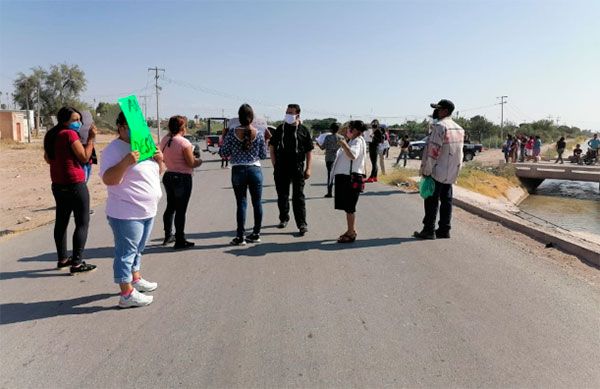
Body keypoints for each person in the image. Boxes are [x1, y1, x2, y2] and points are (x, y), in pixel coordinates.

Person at [100, 112, 164, 308]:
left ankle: (135, 279)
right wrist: (126, 162)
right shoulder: (113, 150)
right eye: (131, 126)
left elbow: (157, 172)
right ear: (120, 127)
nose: (137, 129)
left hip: (147, 210)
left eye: (140, 125)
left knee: (138, 249)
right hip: (126, 212)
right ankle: (126, 294)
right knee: (126, 252)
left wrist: (160, 159)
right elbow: (109, 179)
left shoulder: (144, 144)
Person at [43, 106, 97, 275]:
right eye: (75, 120)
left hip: (58, 184)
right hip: (75, 183)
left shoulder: (51, 134)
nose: (78, 123)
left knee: (61, 221)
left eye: (79, 119)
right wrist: (91, 139)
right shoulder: (69, 134)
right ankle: (77, 263)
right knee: (82, 222)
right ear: (64, 120)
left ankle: (62, 259)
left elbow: (47, 158)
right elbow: (84, 157)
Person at [414, 99, 464, 240]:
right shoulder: (459, 129)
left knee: (431, 201)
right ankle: (444, 229)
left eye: (439, 109)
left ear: (445, 111)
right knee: (446, 201)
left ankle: (429, 229)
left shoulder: (439, 127)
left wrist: (426, 170)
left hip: (437, 171)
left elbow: (433, 151)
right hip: (450, 172)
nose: (436, 111)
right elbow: (459, 153)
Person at [219, 104, 267, 245]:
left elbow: (224, 153)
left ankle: (240, 237)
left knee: (241, 203)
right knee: (257, 203)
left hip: (238, 170)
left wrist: (223, 138)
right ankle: (256, 234)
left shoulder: (232, 132)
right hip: (255, 170)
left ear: (239, 118)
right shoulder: (258, 133)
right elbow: (263, 156)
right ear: (252, 118)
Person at [269, 104, 314, 236]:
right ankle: (284, 218)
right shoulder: (280, 129)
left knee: (298, 196)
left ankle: (301, 224)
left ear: (298, 115)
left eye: (291, 113)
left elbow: (309, 151)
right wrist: (275, 165)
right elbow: (271, 146)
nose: (288, 115)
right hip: (281, 167)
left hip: (298, 167)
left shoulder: (304, 130)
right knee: (282, 195)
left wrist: (308, 168)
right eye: (287, 112)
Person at [159, 115, 202, 249]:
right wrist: (199, 160)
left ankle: (168, 235)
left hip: (169, 175)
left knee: (170, 207)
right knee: (181, 210)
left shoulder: (165, 140)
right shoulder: (184, 143)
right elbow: (191, 163)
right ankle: (180, 239)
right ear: (182, 127)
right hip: (182, 178)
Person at [330, 120, 367, 243]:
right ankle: (351, 230)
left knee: (350, 207)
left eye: (349, 128)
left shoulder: (357, 141)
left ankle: (351, 233)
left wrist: (344, 144)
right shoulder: (354, 140)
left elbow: (353, 155)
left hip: (350, 178)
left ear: (355, 130)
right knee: (348, 207)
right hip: (347, 177)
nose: (347, 130)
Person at [318, 122, 344, 198]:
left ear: (331, 129)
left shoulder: (327, 137)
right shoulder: (341, 138)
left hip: (329, 158)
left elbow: (322, 148)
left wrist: (318, 144)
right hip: (339, 158)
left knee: (330, 175)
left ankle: (329, 192)